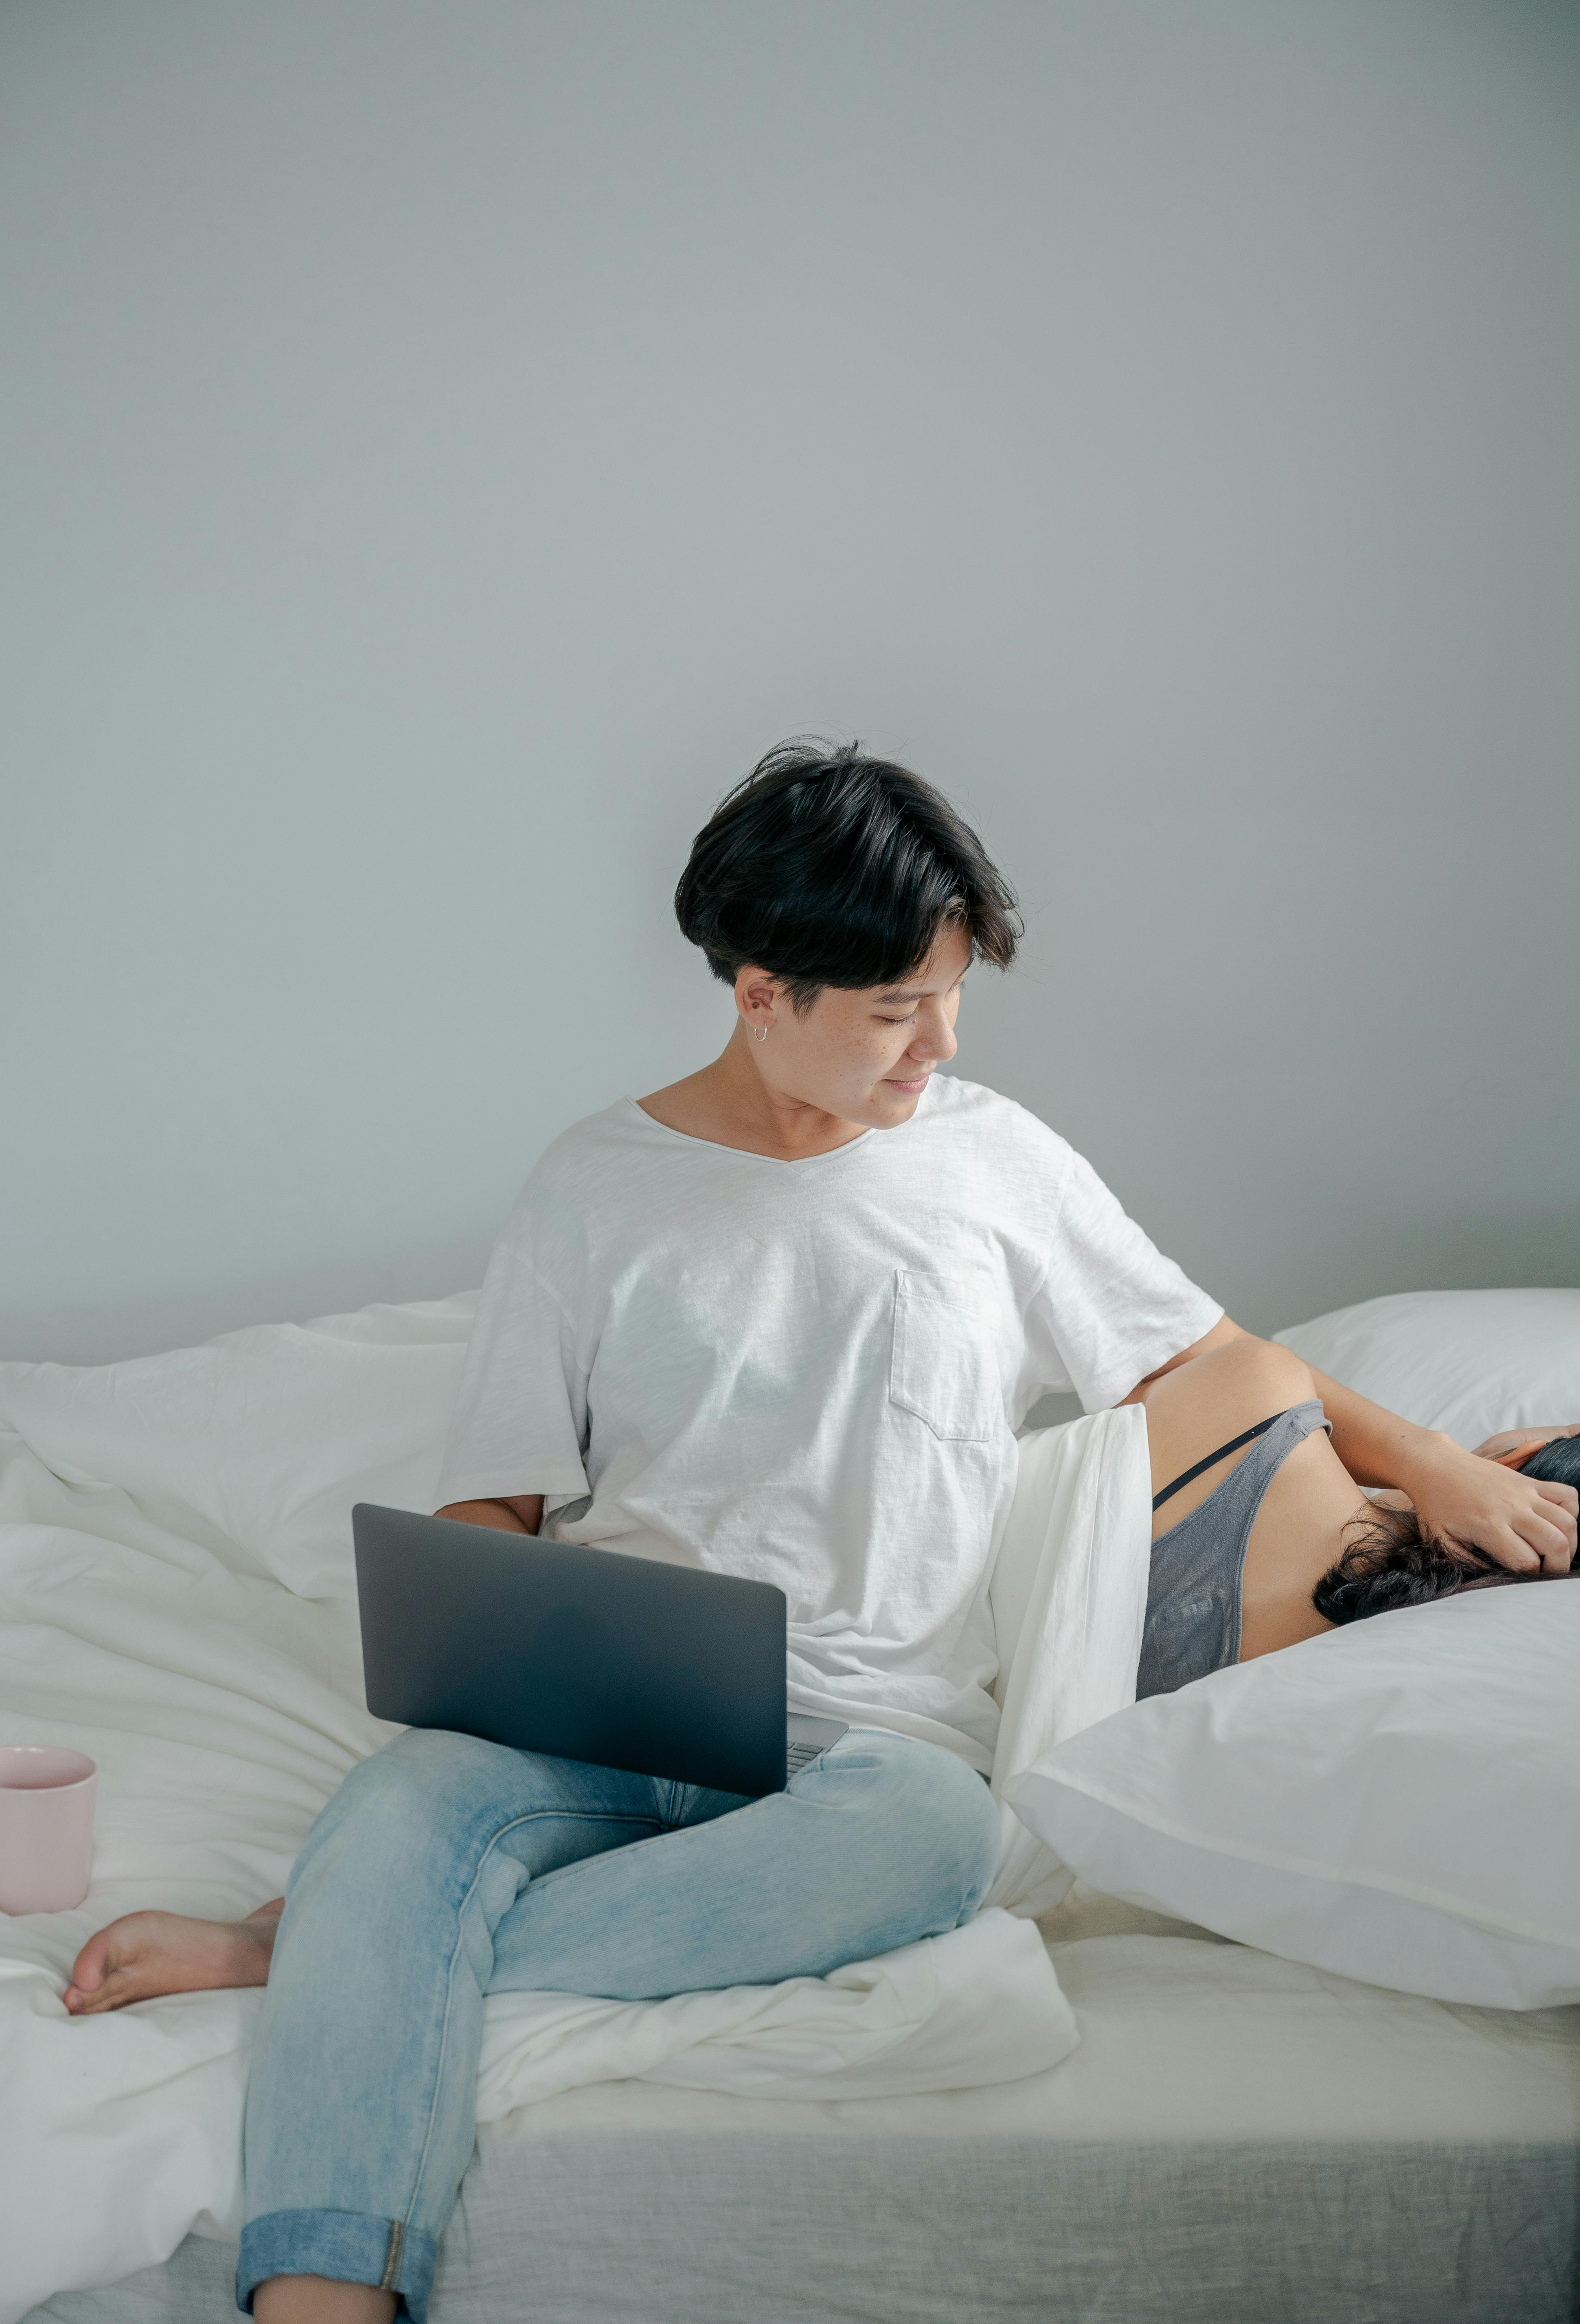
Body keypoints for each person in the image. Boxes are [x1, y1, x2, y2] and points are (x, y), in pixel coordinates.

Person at [59, 742, 1577, 2324]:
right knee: (391, 1816)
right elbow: (493, 1506)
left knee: (929, 1845)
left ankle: (339, 1966)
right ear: (760, 989)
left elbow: (1212, 1364)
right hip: (611, 1708)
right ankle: (322, 2292)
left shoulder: (992, 1160)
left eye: (948, 997)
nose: (936, 1044)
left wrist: (1441, 1473)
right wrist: (483, 1630)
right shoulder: (594, 1189)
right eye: (892, 1011)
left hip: (867, 1739)